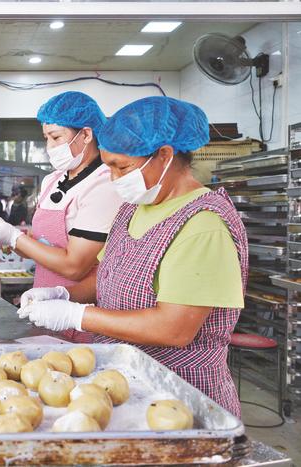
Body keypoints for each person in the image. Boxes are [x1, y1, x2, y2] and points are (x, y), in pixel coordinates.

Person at [18, 96, 247, 417]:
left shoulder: (203, 224)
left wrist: (75, 316)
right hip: (126, 382)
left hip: (180, 394)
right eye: (109, 166)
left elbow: (174, 328)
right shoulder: (133, 209)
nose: (113, 179)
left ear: (164, 156)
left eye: (121, 167)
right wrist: (62, 294)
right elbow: (110, 272)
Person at [0, 91, 123, 342]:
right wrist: (4, 237)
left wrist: (16, 238)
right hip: (44, 306)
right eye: (45, 138)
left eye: (56, 137)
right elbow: (38, 246)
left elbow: (75, 266)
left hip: (79, 310)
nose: (49, 147)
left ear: (86, 134)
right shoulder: (53, 180)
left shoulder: (104, 184)